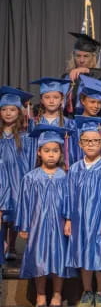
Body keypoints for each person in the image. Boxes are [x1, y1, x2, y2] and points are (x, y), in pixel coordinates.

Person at [15, 125, 76, 307]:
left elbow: (71, 203)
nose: (51, 154)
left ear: (61, 153)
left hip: (59, 225)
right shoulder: (31, 178)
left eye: (55, 151)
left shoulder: (65, 177)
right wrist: (24, 226)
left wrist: (69, 221)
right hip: (37, 226)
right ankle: (40, 295)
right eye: (47, 150)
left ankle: (57, 294)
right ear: (39, 152)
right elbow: (24, 204)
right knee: (38, 259)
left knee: (59, 259)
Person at [66, 117, 101, 307]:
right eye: (87, 140)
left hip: (99, 219)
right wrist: (69, 219)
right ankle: (87, 291)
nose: (91, 144)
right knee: (83, 255)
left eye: (95, 141)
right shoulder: (74, 169)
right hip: (80, 220)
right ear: (80, 143)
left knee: (100, 256)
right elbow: (68, 196)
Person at [0, 86, 34, 261]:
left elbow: (28, 161)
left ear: (19, 112)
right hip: (0, 179)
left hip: (16, 179)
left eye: (12, 109)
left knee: (12, 215)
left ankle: (11, 245)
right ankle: (2, 245)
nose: (8, 113)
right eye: (4, 109)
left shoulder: (24, 136)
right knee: (1, 214)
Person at [63, 32, 101, 118]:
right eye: (78, 56)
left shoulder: (99, 76)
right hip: (71, 124)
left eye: (86, 56)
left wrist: (87, 70)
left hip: (94, 124)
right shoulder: (67, 77)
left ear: (93, 57)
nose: (81, 60)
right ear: (73, 56)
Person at [29, 77, 76, 163]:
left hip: (62, 167)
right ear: (41, 100)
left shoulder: (69, 123)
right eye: (47, 97)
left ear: (62, 100)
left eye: (56, 97)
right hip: (40, 166)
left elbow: (72, 151)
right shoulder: (35, 123)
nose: (51, 101)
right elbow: (31, 148)